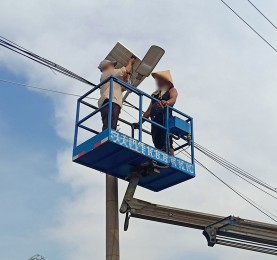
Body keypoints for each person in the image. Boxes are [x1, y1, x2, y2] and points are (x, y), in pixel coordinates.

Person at [135, 70, 178, 155]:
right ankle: (160, 154)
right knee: (156, 138)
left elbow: (173, 99)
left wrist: (167, 102)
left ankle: (169, 153)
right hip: (155, 120)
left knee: (166, 139)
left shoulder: (171, 90)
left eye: (159, 79)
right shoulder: (155, 95)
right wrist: (140, 123)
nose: (157, 81)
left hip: (165, 118)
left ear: (166, 80)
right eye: (157, 79)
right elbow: (148, 111)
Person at [98, 57, 136, 130]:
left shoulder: (111, 79)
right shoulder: (107, 73)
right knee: (110, 124)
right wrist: (130, 62)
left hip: (111, 101)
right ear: (106, 67)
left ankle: (107, 134)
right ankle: (108, 135)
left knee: (110, 123)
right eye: (112, 65)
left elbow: (123, 87)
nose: (114, 67)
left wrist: (125, 77)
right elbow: (125, 70)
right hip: (110, 101)